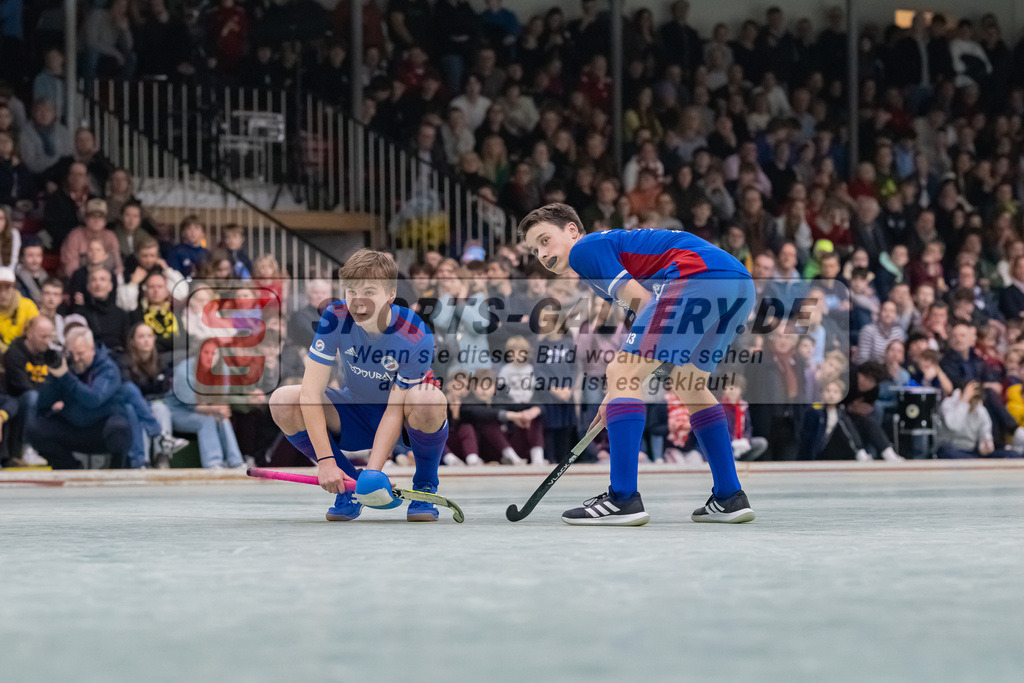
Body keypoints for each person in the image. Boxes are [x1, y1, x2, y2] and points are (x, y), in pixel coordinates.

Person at [520, 203, 756, 526]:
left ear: (572, 231)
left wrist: (620, 385)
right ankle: (730, 496)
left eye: (544, 240)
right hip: (737, 282)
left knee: (620, 371)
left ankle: (622, 498)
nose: (542, 254)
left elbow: (643, 304)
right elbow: (647, 323)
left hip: (697, 275)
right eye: (534, 250)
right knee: (690, 383)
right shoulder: (605, 256)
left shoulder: (585, 251)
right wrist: (618, 394)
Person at [267, 249, 449, 522]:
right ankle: (348, 485)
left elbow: (394, 410)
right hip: (354, 411)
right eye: (351, 291)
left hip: (400, 420)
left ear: (390, 294)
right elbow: (310, 393)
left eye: (369, 292)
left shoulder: (416, 334)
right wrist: (327, 462)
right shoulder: (334, 316)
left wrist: (373, 473)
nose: (358, 302)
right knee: (283, 400)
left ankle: (424, 485)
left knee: (430, 399)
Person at [28, 326, 132, 469]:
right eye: (72, 354)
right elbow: (44, 403)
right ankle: (70, 467)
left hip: (102, 429)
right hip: (73, 427)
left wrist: (65, 377)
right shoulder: (67, 366)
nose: (76, 359)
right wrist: (53, 378)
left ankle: (117, 471)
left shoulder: (108, 369)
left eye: (81, 353)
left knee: (120, 430)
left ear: (92, 350)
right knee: (34, 428)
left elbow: (93, 399)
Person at [0, 265, 38, 353]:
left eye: (7, 287)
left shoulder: (28, 306)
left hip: (23, 355)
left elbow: (36, 335)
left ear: (14, 288)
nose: (3, 294)